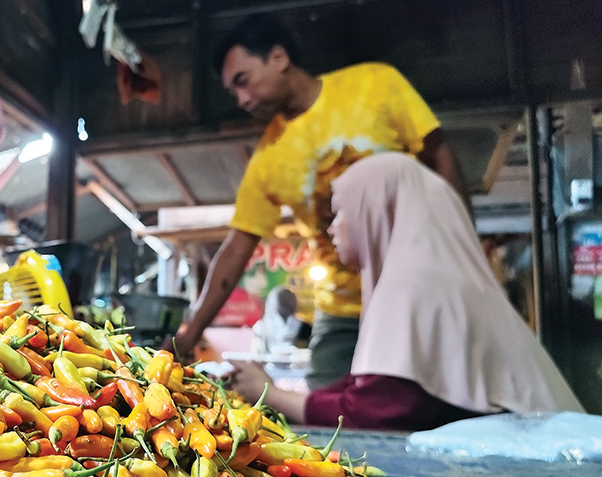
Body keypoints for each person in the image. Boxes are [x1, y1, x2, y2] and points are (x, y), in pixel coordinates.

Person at [171, 14, 465, 390]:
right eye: (233, 93)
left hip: (420, 298)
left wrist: (463, 250)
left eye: (242, 81)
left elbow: (439, 156)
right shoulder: (268, 158)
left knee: (432, 416)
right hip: (342, 313)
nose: (242, 100)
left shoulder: (375, 84)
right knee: (324, 425)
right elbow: (236, 248)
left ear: (278, 57)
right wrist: (190, 333)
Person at [231, 153, 584, 431]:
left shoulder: (414, 285)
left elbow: (376, 412)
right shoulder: (430, 278)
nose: (333, 229)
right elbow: (364, 387)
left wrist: (271, 395)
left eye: (341, 213)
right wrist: (271, 388)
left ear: (374, 211)